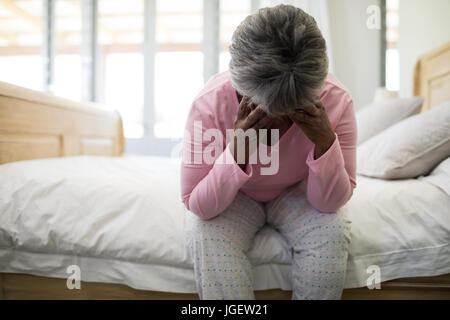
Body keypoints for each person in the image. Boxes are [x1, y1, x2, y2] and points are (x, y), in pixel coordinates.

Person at [180, 4, 357, 300]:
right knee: (205, 232)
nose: (279, 119)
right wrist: (237, 151)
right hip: (236, 197)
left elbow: (329, 204)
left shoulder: (336, 100)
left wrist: (325, 141)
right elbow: (199, 206)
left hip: (295, 190)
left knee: (332, 230)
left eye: (291, 106)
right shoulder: (208, 104)